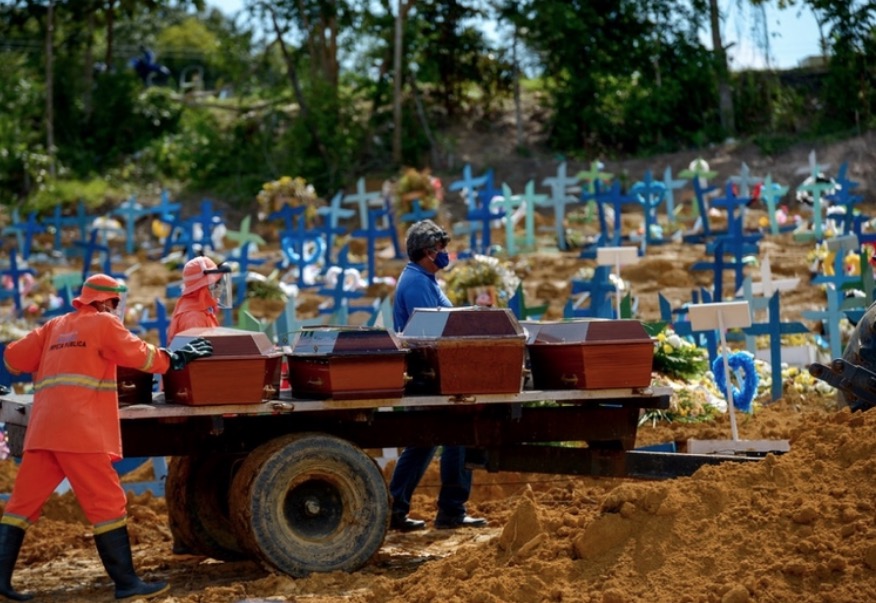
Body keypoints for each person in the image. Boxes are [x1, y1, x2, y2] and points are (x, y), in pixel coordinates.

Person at [0, 274, 213, 601]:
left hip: (43, 430)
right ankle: (127, 583)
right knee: (107, 505)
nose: (117, 310)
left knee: (20, 506)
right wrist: (176, 358)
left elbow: (13, 358)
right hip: (80, 432)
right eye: (115, 304)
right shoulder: (104, 324)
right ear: (104, 301)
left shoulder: (54, 326)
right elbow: (141, 356)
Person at [388, 220, 488, 532]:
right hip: (431, 373)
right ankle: (451, 510)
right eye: (441, 249)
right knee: (456, 435)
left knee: (424, 443)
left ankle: (395, 508)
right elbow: (434, 329)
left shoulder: (425, 279)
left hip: (434, 371)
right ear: (427, 252)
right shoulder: (418, 282)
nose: (445, 254)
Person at [167, 256, 232, 342]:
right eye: (215, 283)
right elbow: (197, 353)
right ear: (201, 288)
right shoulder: (194, 318)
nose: (220, 288)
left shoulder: (201, 307)